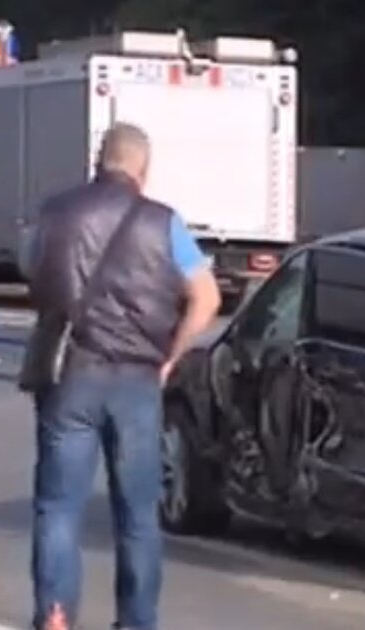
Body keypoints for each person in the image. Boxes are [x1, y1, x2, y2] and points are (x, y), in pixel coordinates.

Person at [17, 122, 222, 630]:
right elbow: (208, 298)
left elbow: (32, 271)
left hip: (72, 374)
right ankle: (135, 622)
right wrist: (170, 355)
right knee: (136, 516)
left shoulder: (56, 213)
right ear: (143, 170)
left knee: (58, 506)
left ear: (97, 161)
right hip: (137, 382)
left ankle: (56, 615)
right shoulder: (164, 223)